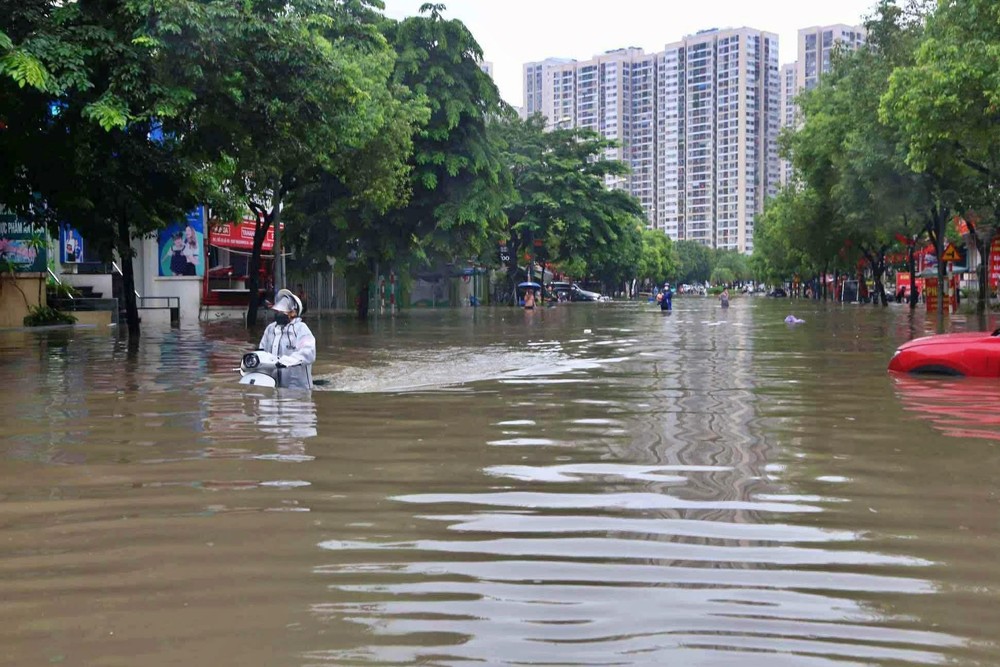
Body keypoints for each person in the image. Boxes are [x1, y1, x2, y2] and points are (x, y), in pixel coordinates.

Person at [258, 288, 316, 390]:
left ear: (293, 312)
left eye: (283, 308)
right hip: (274, 386)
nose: (278, 311)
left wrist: (285, 362)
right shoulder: (270, 329)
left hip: (298, 390)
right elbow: (261, 352)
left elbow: (308, 352)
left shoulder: (301, 329)